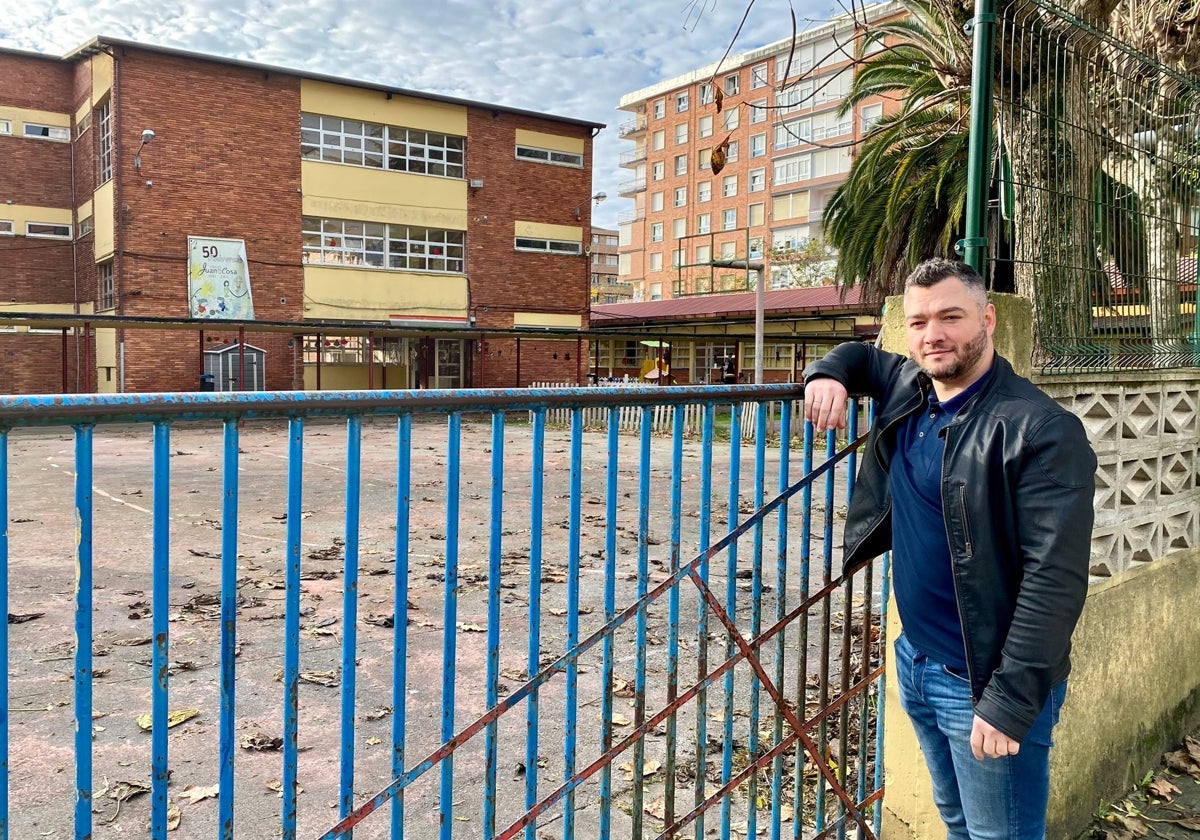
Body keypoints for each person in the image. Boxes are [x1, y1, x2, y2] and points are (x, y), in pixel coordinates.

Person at [802, 258, 1096, 839]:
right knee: (957, 821)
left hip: (982, 680)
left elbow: (1054, 578)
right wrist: (826, 374)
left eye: (950, 317)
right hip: (915, 659)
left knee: (999, 835)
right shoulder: (910, 385)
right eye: (918, 322)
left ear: (986, 319)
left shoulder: (1039, 429)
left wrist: (1008, 701)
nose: (932, 334)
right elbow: (860, 356)